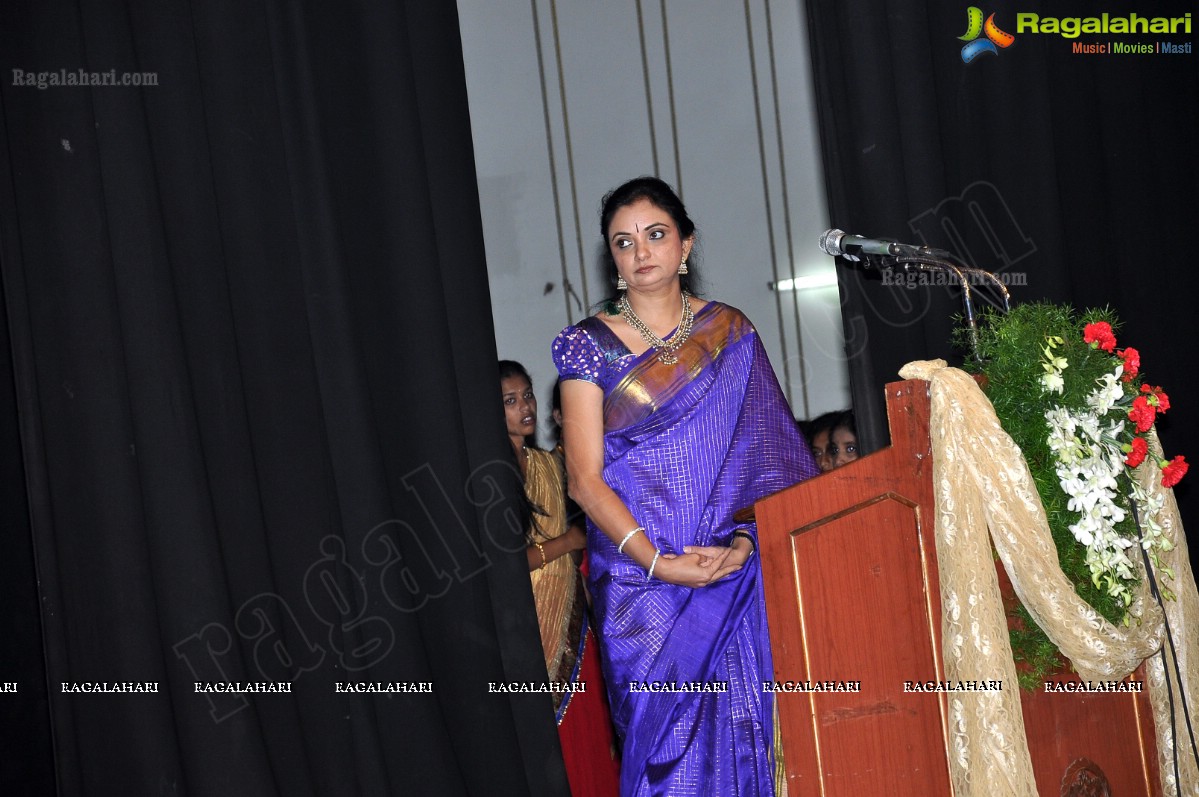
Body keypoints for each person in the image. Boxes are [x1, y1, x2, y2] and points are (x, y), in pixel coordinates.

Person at [552, 177, 819, 796]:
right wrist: (660, 564)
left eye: (656, 234)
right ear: (612, 259)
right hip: (640, 587)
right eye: (623, 242)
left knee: (752, 740)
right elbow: (585, 483)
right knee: (665, 759)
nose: (641, 251)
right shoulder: (587, 348)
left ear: (685, 244)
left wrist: (746, 549)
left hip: (730, 575)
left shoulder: (730, 333)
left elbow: (774, 465)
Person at [499, 360, 621, 796]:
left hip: (574, 623)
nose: (524, 407)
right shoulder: (491, 478)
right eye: (510, 401)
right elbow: (502, 564)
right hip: (523, 629)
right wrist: (568, 543)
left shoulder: (550, 467)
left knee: (589, 737)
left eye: (527, 395)